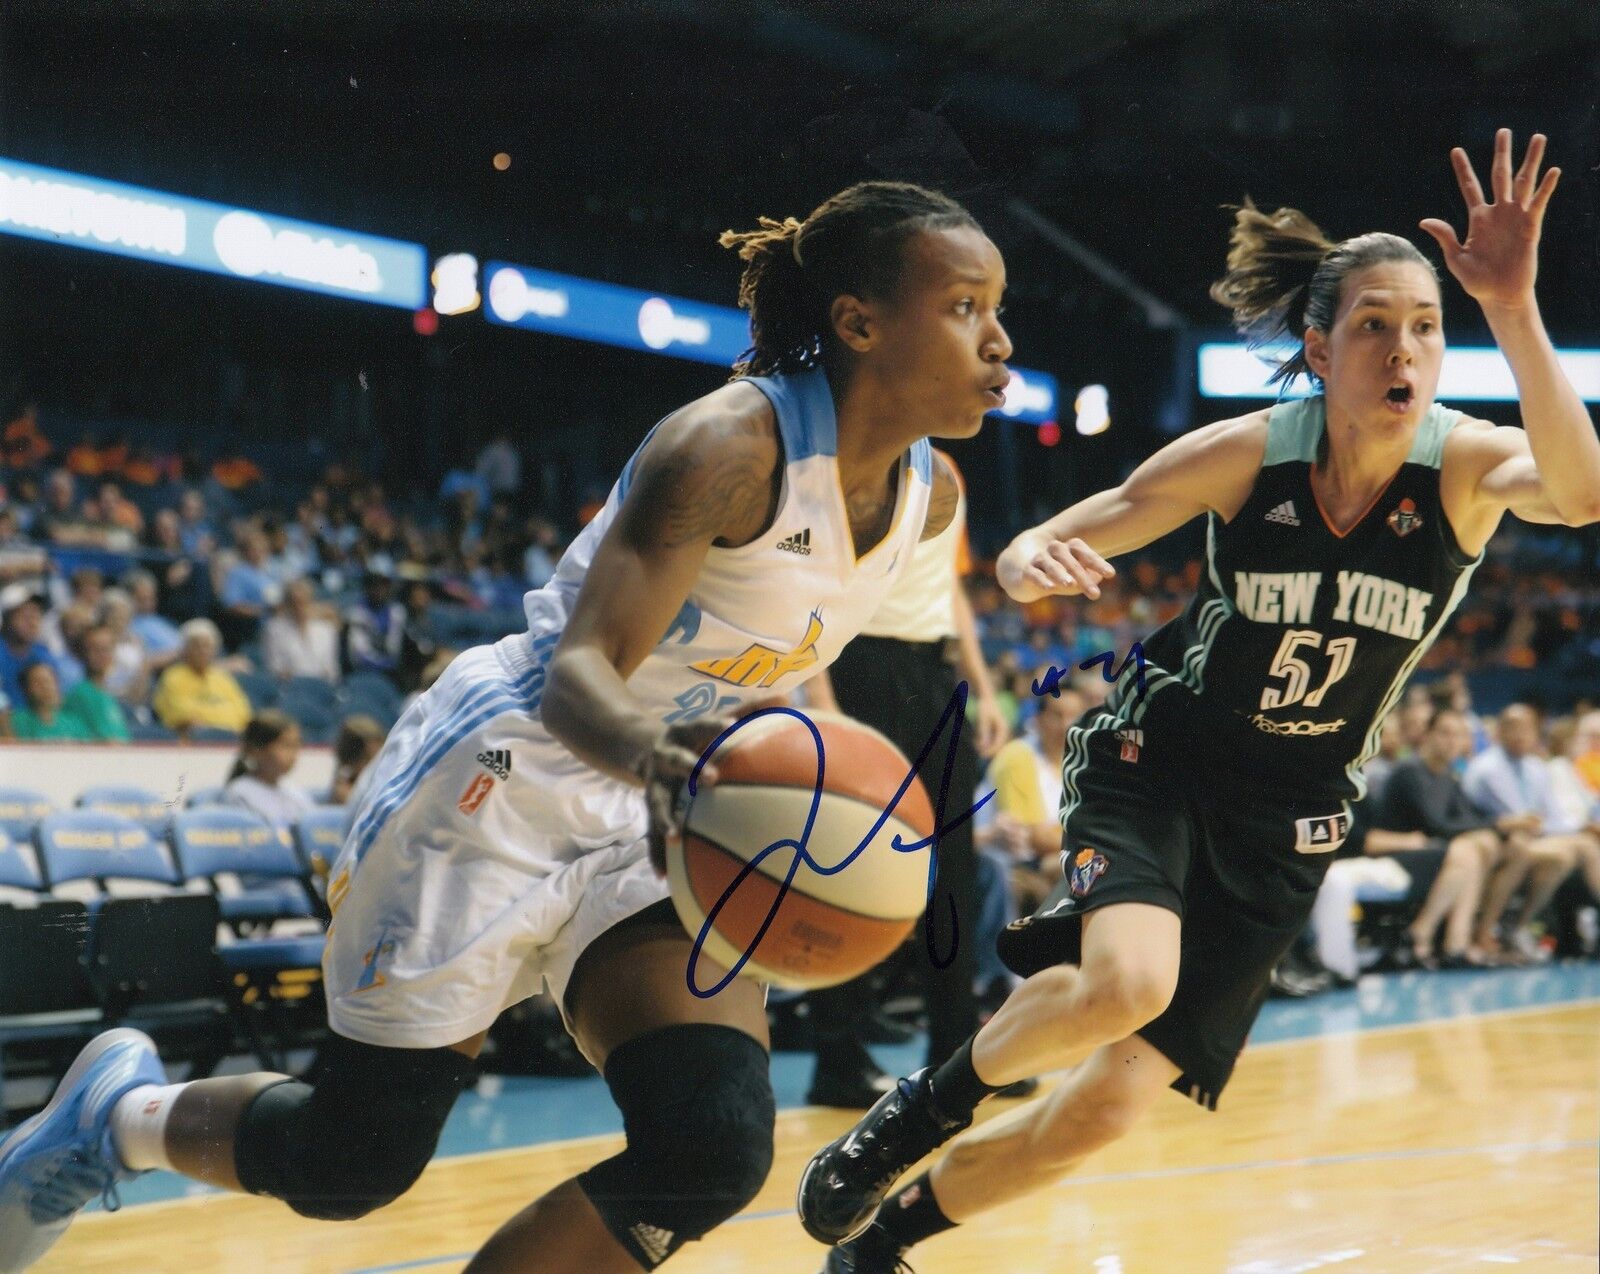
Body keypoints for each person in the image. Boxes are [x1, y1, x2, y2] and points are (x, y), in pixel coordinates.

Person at [0, 179, 1013, 1274]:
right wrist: (672, 763)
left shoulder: (930, 500)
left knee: (710, 1142)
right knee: (356, 1156)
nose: (999, 339)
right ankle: (119, 1119)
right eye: (965, 306)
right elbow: (581, 671)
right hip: (511, 772)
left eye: (999, 308)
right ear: (859, 321)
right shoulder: (726, 447)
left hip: (664, 809)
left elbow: (786, 654)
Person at [800, 130, 1600, 1271]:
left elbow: (1580, 490)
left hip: (1291, 813)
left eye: (1424, 323)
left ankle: (882, 1243)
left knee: (1108, 1107)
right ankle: (919, 1108)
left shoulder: (1463, 466)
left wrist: (1513, 306)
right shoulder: (1249, 453)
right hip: (1160, 759)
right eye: (1373, 323)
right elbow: (1068, 529)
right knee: (1126, 978)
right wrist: (1030, 557)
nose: (1402, 346)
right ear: (1320, 349)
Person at [801, 449, 1010, 1109]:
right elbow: (808, 588)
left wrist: (979, 684)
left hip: (932, 676)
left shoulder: (948, 472)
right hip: (856, 669)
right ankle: (837, 1057)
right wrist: (824, 704)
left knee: (952, 873)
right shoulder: (842, 462)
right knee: (845, 871)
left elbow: (948, 585)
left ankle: (951, 1053)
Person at [1463, 702, 1600, 960]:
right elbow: (1524, 819)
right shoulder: (1487, 768)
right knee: (1583, 846)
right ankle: (1484, 931)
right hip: (1499, 843)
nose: (1521, 735)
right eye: (1513, 728)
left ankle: (1515, 928)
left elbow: (1551, 818)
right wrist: (1578, 831)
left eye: (1527, 728)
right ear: (1500, 731)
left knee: (1563, 857)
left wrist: (1581, 827)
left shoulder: (1536, 768)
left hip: (1533, 840)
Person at [1364, 707, 1499, 966]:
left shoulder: (1448, 776)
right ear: (1427, 735)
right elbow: (1435, 824)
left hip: (1428, 851)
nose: (1451, 741)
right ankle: (1423, 931)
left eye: (1458, 735)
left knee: (1482, 845)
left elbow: (1468, 817)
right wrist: (1498, 824)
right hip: (1396, 851)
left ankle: (1456, 943)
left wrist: (1493, 827)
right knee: (1469, 851)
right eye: (1445, 733)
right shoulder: (1410, 771)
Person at [151, 618, 252, 736]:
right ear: (184, 649)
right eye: (196, 645)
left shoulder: (223, 678)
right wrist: (223, 716)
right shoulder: (172, 677)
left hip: (231, 738)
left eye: (207, 646)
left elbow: (243, 713)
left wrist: (206, 716)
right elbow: (180, 714)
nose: (202, 651)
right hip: (191, 743)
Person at [222, 711, 318, 829]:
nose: (293, 754)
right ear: (257, 750)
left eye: (297, 745)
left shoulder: (296, 793)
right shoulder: (240, 794)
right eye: (286, 745)